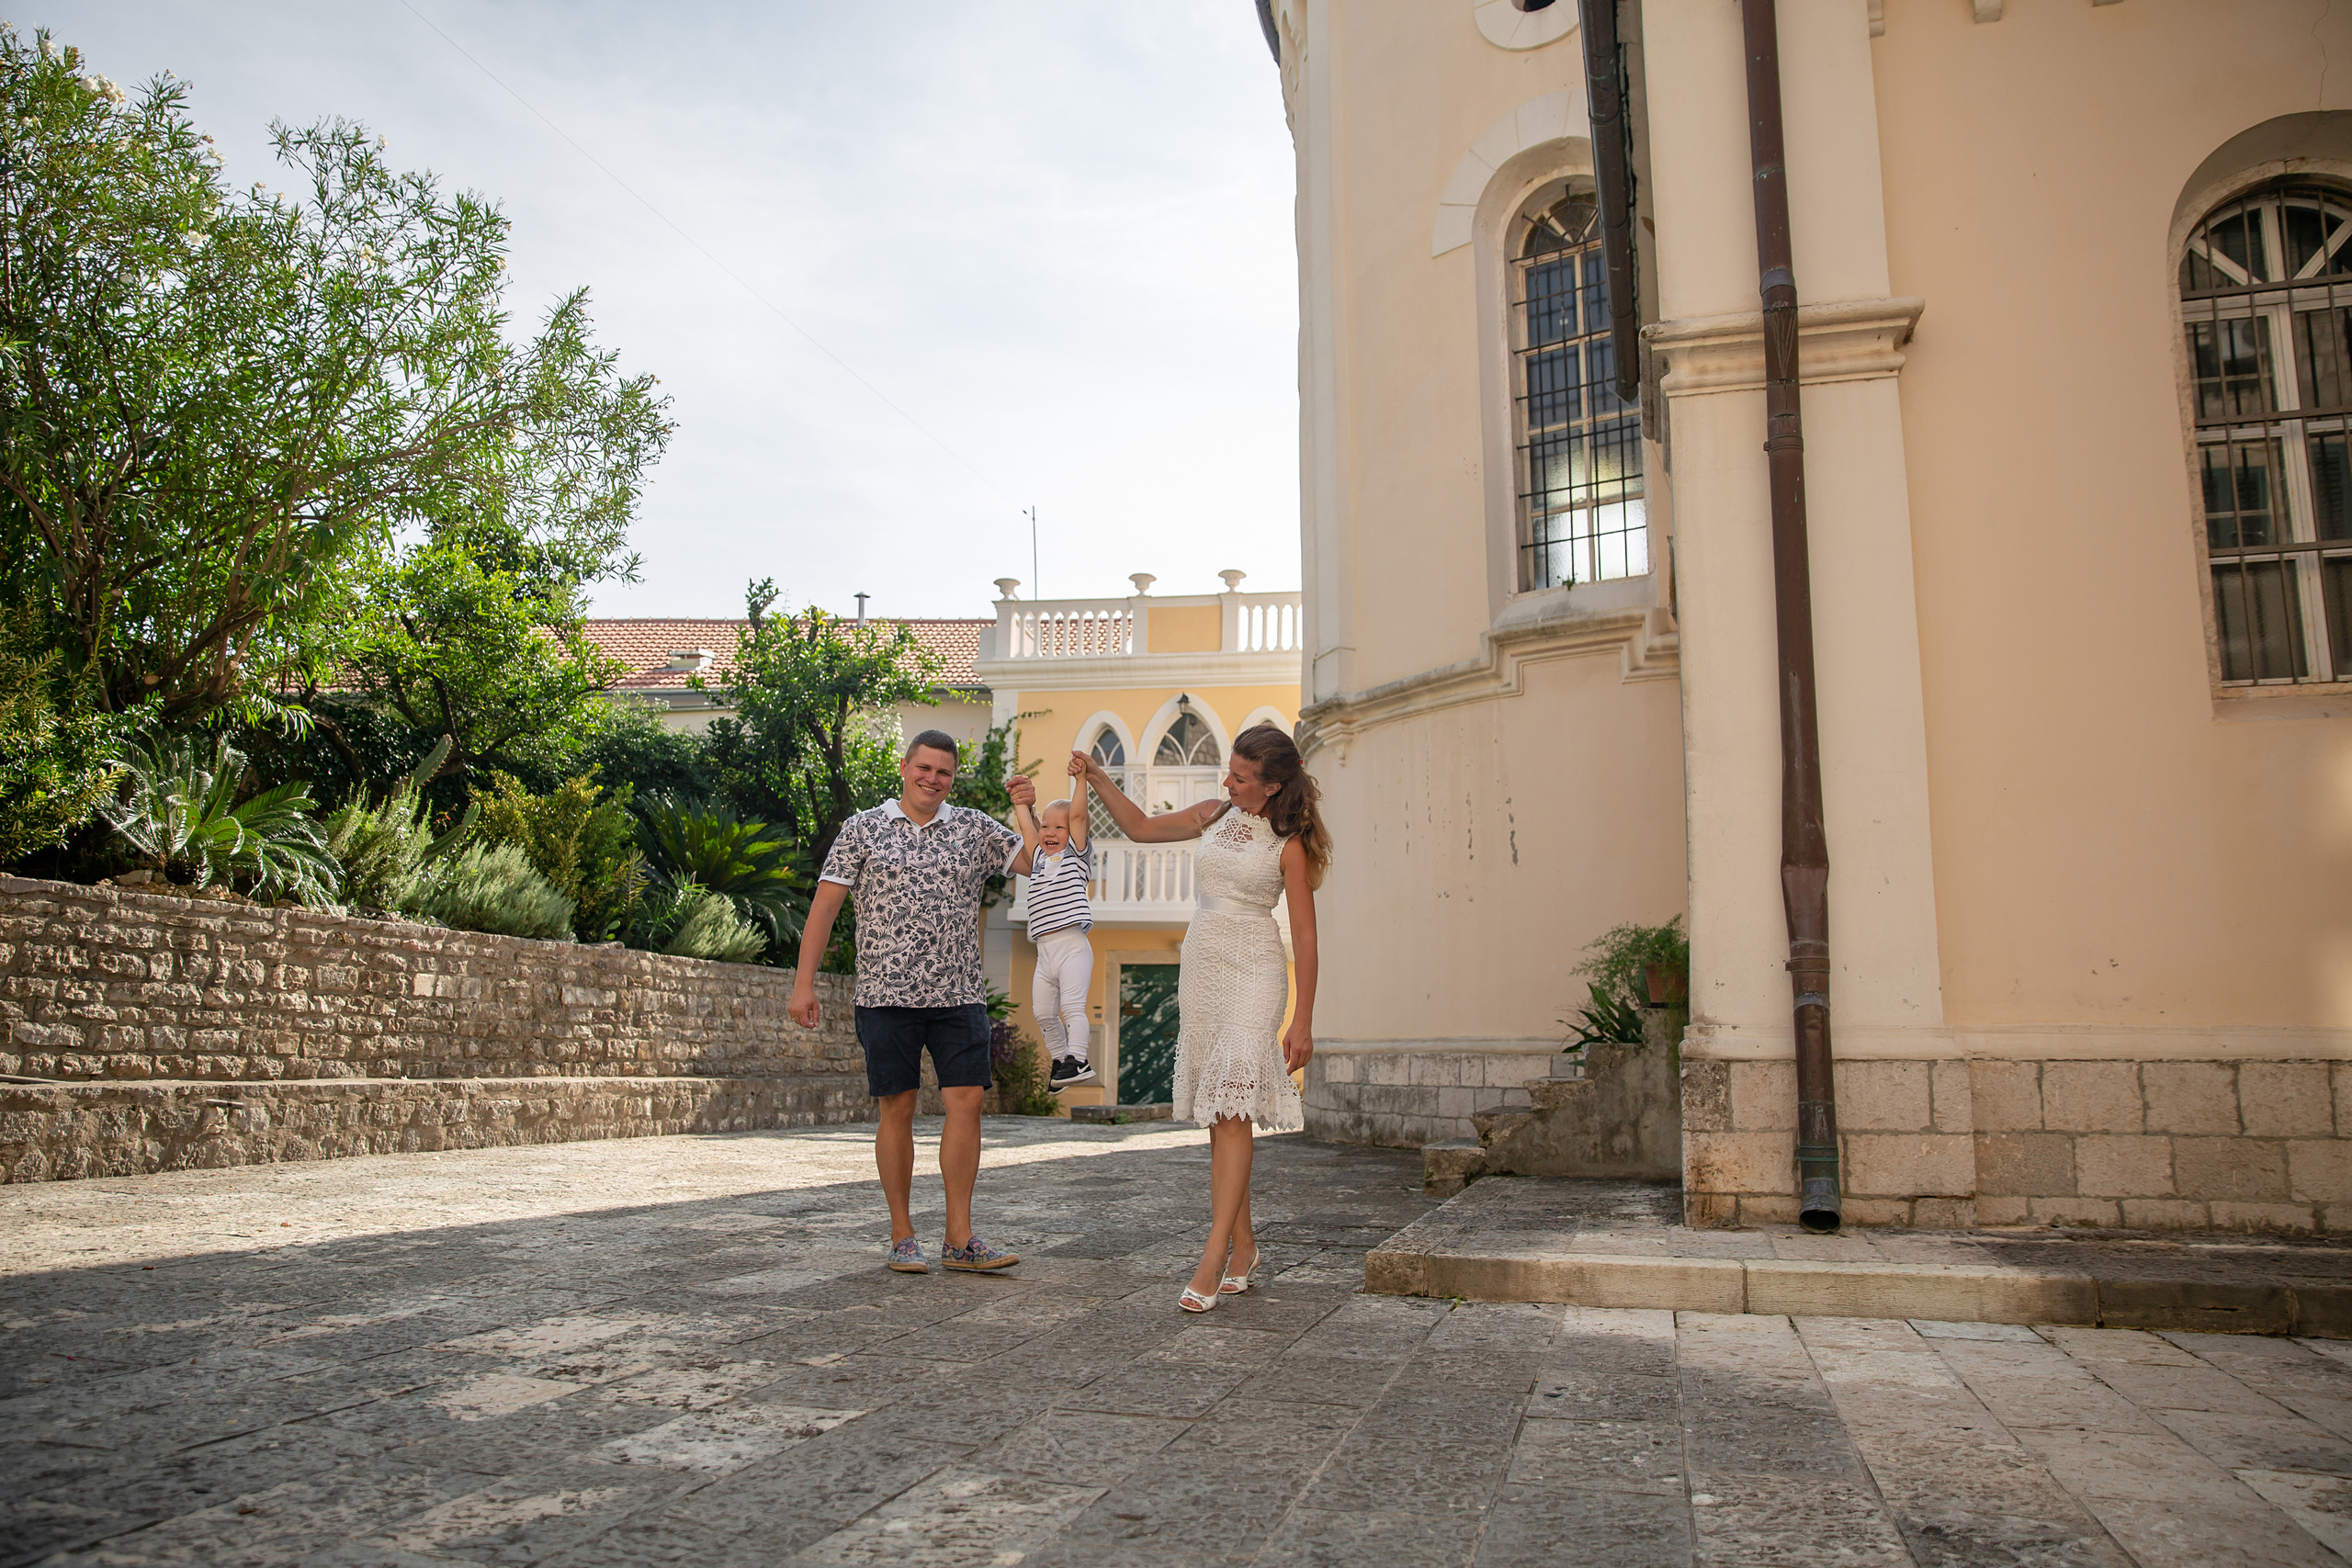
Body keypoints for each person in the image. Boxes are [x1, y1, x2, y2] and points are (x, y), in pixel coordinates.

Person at [1075, 721, 1329, 1312]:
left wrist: (1303, 1020)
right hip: (1203, 965)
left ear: (1271, 786)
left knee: (1234, 1103)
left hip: (1254, 968)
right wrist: (1098, 777)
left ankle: (1213, 1255)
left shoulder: (1289, 845)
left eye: (1240, 777)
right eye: (1229, 772)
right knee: (1221, 1115)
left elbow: (1307, 938)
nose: (1228, 783)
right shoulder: (1214, 815)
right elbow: (1140, 828)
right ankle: (1245, 1248)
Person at [788, 729, 1039, 1275]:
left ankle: (959, 1237)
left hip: (959, 993)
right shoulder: (863, 828)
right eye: (924, 768)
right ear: (904, 768)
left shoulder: (973, 828)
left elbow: (1036, 861)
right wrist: (804, 984)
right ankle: (902, 1235)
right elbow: (825, 907)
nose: (932, 779)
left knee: (966, 1102)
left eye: (944, 772)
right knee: (897, 1107)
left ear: (953, 778)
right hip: (885, 994)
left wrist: (1025, 808)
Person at [1012, 755, 1097, 1090]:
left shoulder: (1076, 855)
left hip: (1072, 947)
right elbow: (1026, 828)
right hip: (1045, 952)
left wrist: (1081, 780)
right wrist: (1019, 801)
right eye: (1046, 826)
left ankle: (1079, 1059)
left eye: (1058, 828)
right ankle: (1061, 1061)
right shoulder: (1038, 858)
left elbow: (1078, 816)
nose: (1049, 832)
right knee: (1044, 1012)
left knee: (1072, 1007)